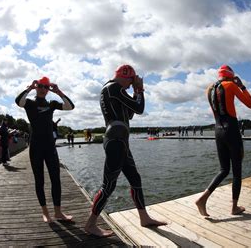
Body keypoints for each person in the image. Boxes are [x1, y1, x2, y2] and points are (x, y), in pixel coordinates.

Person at [85, 64, 166, 237]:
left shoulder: (112, 90)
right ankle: (91, 224)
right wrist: (140, 89)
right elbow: (140, 108)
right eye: (131, 80)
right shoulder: (114, 87)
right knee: (108, 185)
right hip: (116, 141)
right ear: (126, 75)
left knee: (135, 179)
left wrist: (136, 92)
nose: (131, 84)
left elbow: (129, 114)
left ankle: (144, 218)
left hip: (120, 141)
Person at [195, 65, 251, 216]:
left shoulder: (209, 88)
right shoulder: (231, 85)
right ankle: (234, 207)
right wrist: (242, 86)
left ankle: (203, 198)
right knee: (237, 171)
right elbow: (250, 104)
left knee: (223, 169)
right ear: (231, 76)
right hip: (231, 130)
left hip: (218, 130)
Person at [15, 76, 75, 223]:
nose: (43, 89)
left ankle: (58, 212)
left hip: (49, 146)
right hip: (35, 146)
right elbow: (18, 101)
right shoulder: (29, 103)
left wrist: (59, 92)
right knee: (39, 180)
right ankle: (45, 212)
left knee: (56, 179)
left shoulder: (52, 103)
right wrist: (29, 88)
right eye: (40, 86)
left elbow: (70, 106)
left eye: (45, 87)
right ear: (36, 87)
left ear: (48, 90)